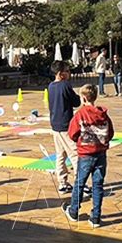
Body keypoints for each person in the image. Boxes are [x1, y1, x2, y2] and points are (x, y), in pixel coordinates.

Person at [65, 84, 113, 228]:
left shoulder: (80, 114)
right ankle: (96, 217)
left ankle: (74, 210)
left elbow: (72, 133)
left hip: (85, 155)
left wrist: (81, 142)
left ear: (83, 98)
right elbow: (110, 133)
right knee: (98, 185)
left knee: (80, 182)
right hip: (101, 154)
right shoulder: (104, 115)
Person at [47, 60, 82, 193]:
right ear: (61, 74)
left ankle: (62, 182)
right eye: (67, 71)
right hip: (66, 125)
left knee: (60, 154)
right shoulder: (65, 85)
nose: (69, 73)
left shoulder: (50, 86)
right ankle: (80, 182)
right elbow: (76, 102)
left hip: (55, 125)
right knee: (75, 154)